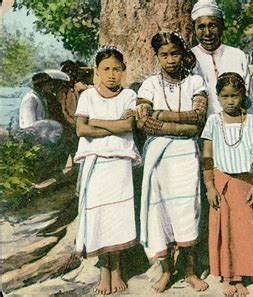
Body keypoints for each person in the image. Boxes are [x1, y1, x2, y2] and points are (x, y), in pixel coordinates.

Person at [135, 32, 209, 293]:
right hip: (159, 158)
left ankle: (190, 271)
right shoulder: (149, 85)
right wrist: (181, 125)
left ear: (183, 54)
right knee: (161, 213)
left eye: (175, 53)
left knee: (187, 211)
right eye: (164, 55)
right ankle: (167, 271)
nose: (170, 60)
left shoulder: (195, 82)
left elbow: (198, 120)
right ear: (157, 57)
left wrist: (161, 118)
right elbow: (143, 122)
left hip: (186, 157)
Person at [74, 46, 140, 295]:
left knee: (118, 215)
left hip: (120, 163)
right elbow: (81, 129)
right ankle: (104, 269)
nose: (111, 74)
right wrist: (116, 126)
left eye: (116, 69)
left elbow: (129, 125)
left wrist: (97, 121)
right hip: (96, 164)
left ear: (123, 71)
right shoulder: (88, 96)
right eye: (106, 69)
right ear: (97, 71)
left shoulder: (128, 97)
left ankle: (118, 269)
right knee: (100, 216)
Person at [201, 72, 253, 296]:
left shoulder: (252, 121)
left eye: (235, 96)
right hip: (221, 181)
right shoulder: (213, 121)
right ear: (218, 97)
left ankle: (240, 275)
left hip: (245, 182)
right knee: (223, 229)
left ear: (242, 95)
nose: (230, 101)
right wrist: (209, 186)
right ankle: (227, 276)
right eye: (225, 96)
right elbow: (207, 155)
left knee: (243, 230)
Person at [190, 0, 249, 116]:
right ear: (194, 30)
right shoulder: (189, 58)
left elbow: (247, 96)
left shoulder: (238, 55)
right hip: (203, 128)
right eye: (201, 27)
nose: (207, 33)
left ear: (222, 26)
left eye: (212, 25)